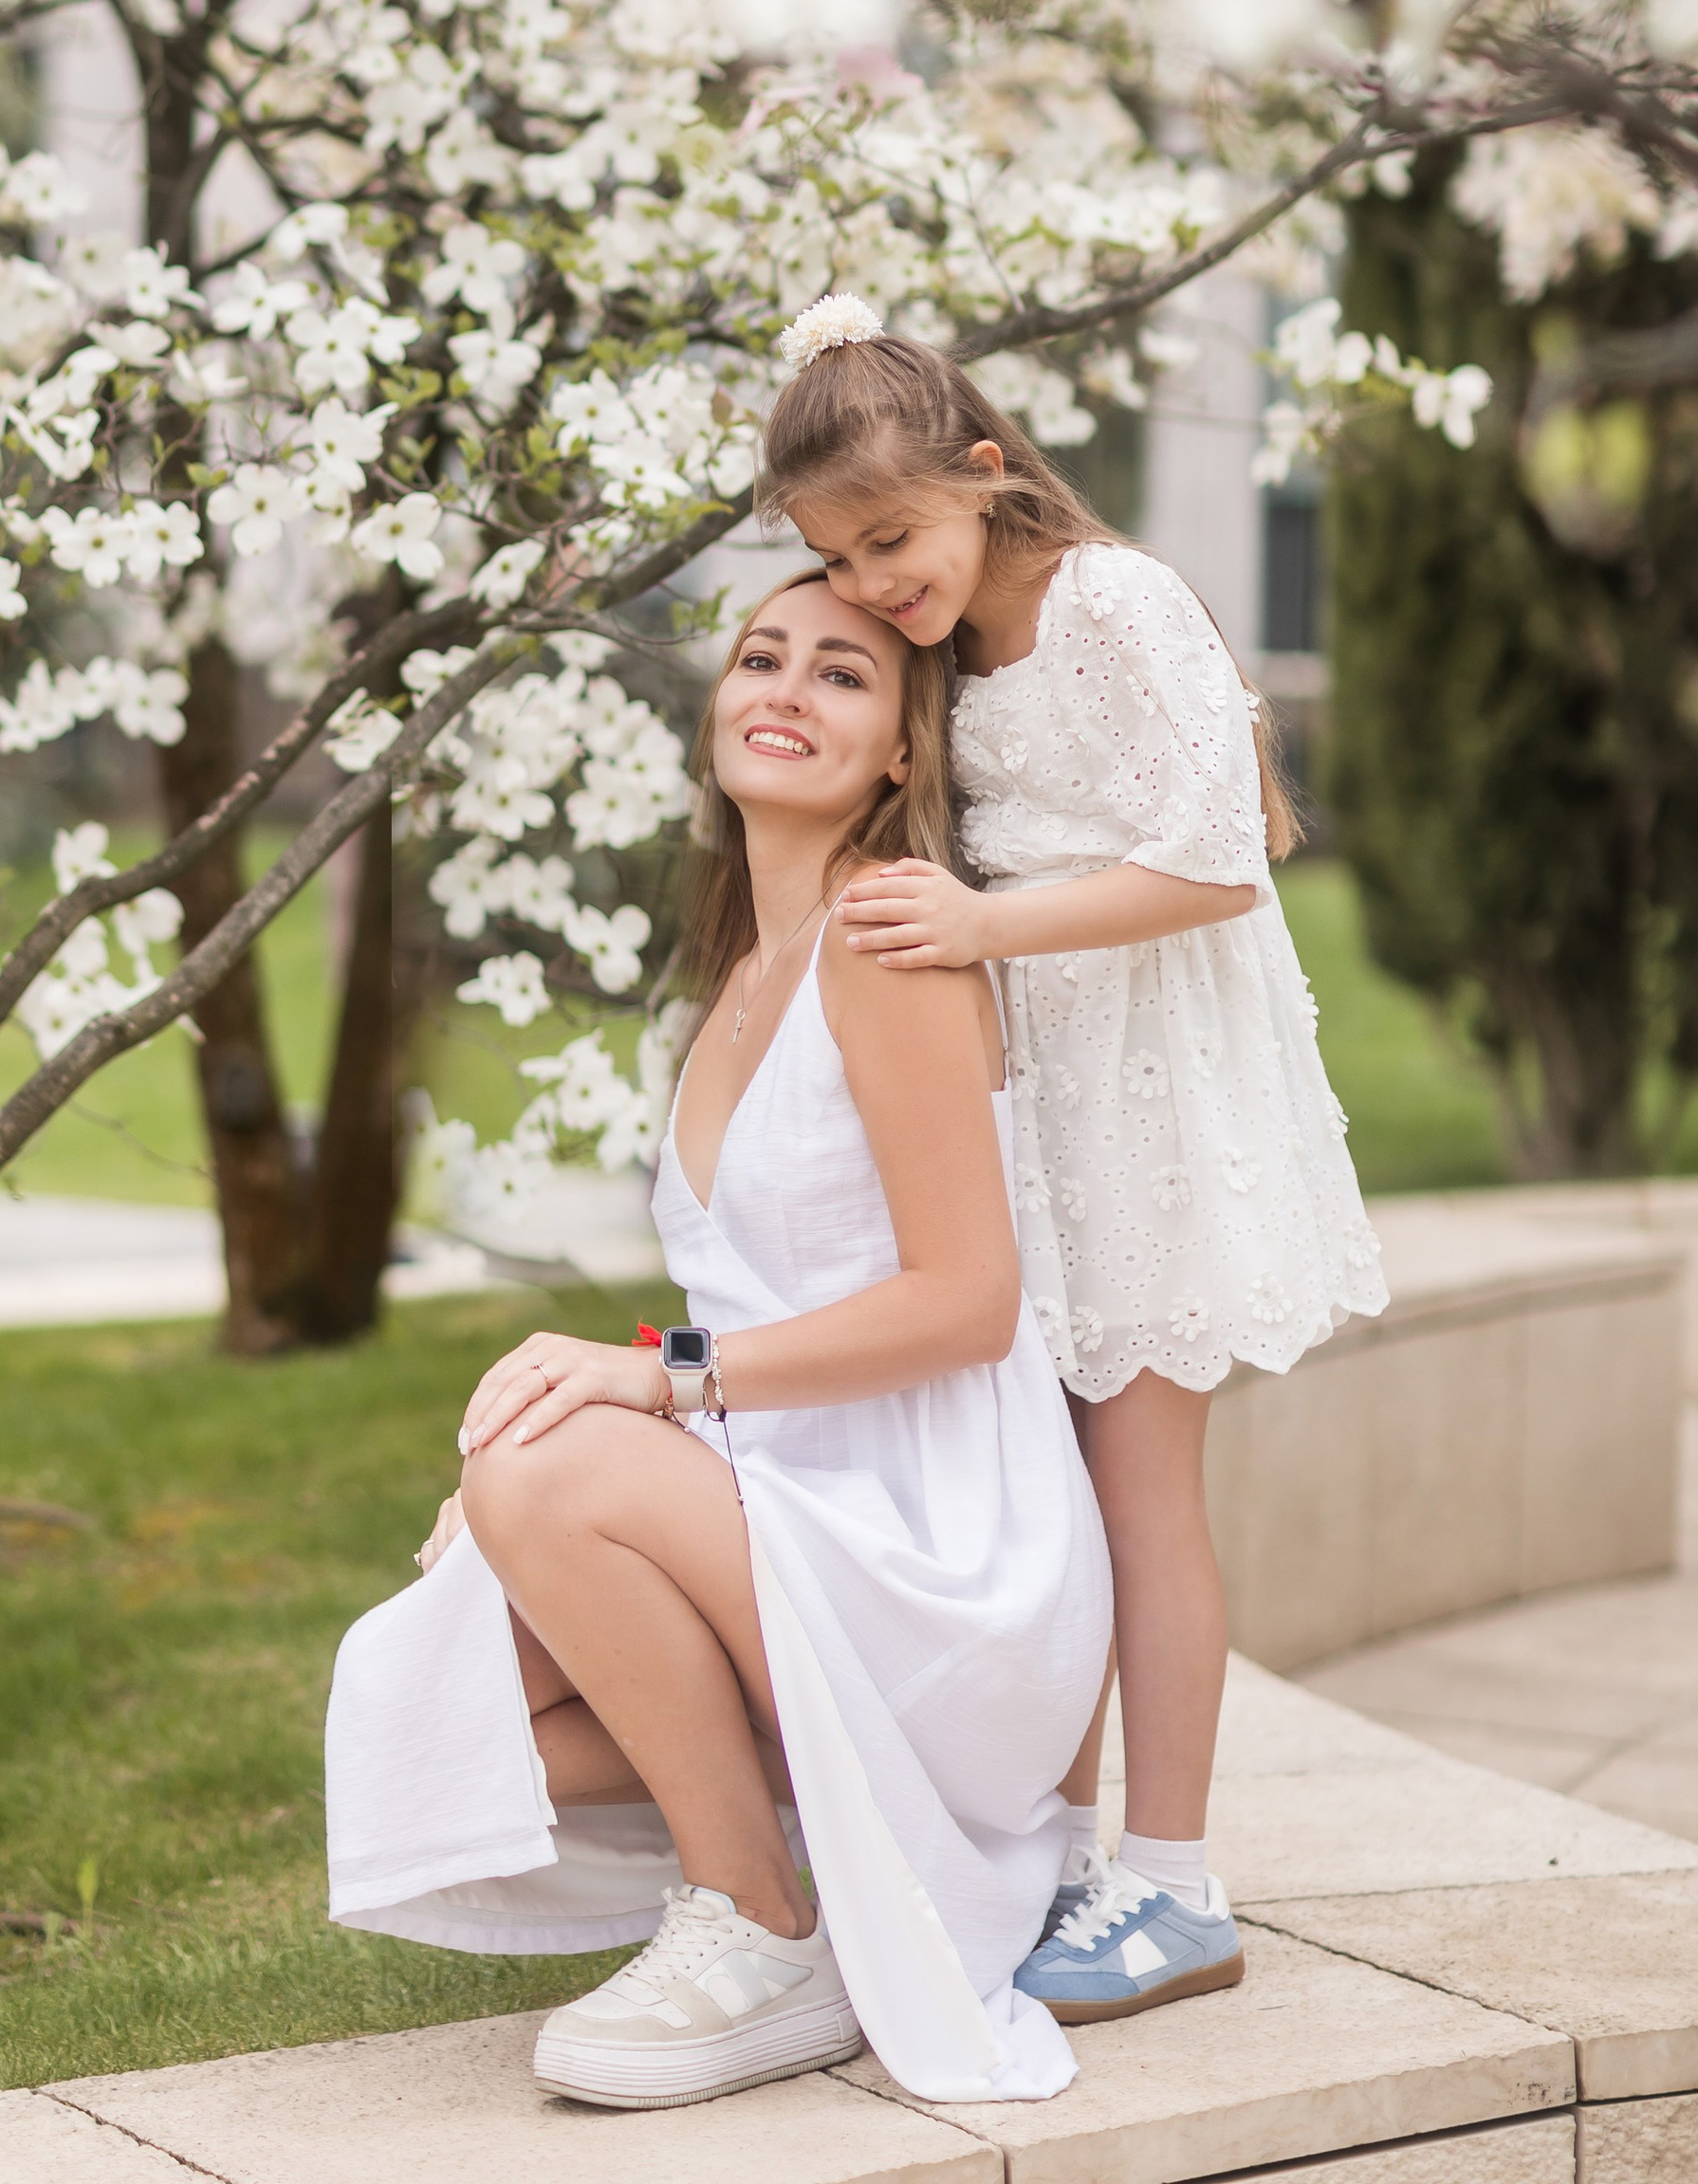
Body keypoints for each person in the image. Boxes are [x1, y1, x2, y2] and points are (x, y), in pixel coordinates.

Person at [323, 573, 1112, 2113]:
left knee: (542, 1478)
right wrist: (596, 1438)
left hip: (941, 1545)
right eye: (763, 657)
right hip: (796, 1500)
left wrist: (641, 1395)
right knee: (447, 1694)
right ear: (717, 707)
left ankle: (761, 1922)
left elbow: (969, 1297)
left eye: (844, 673)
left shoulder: (886, 937)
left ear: (902, 750)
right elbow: (772, 1291)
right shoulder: (742, 977)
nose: (789, 689)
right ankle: (830, 1838)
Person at [760, 297, 1389, 2024]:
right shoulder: (956, 638)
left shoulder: (1113, 600)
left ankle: (1172, 1880)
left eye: (892, 540)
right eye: (839, 556)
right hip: (1043, 1094)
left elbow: (1222, 859)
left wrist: (984, 925)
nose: (874, 583)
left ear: (984, 468)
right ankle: (1041, 1851)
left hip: (1154, 1094)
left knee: (1136, 1490)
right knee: (1041, 1493)